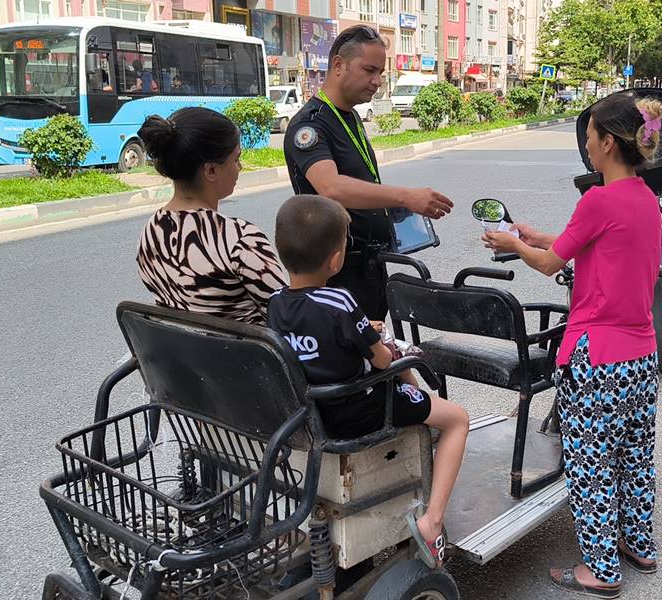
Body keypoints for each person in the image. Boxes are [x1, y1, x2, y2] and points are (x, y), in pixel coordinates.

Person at [484, 93, 662, 599]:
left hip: (596, 356)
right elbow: (578, 245)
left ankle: (601, 570)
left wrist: (514, 246)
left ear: (608, 142)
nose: (586, 149)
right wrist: (533, 235)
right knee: (634, 455)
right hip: (640, 353)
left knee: (590, 461)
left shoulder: (597, 200)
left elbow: (549, 265)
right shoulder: (644, 199)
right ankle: (638, 544)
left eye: (589, 140)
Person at [267, 194, 469, 569]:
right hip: (360, 409)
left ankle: (420, 411)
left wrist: (362, 333)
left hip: (313, 413)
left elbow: (316, 341)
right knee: (457, 418)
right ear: (335, 259)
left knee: (404, 379)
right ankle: (433, 520)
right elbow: (380, 359)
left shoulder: (275, 303)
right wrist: (379, 341)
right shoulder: (340, 301)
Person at [283, 25, 453, 320]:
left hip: (369, 266)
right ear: (338, 65)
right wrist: (404, 197)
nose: (376, 81)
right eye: (369, 70)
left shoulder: (349, 117)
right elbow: (331, 187)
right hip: (336, 271)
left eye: (381, 74)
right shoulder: (309, 126)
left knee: (377, 354)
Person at [136, 107, 286, 326]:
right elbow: (288, 317)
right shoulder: (239, 239)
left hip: (180, 358)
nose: (240, 167)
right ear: (211, 171)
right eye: (236, 159)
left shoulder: (150, 232)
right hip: (242, 358)